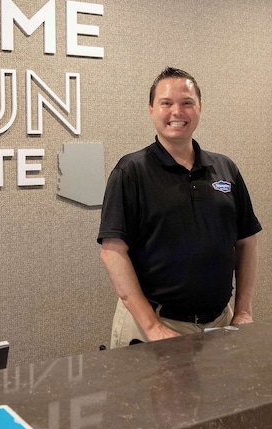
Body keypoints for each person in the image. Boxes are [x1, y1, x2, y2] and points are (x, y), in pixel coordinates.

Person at [97, 66, 261, 348]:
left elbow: (247, 242)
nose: (177, 111)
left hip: (220, 323)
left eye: (186, 102)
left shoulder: (225, 169)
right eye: (166, 103)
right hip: (154, 325)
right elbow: (112, 253)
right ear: (151, 109)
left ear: (199, 108)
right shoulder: (131, 171)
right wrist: (153, 328)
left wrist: (243, 311)